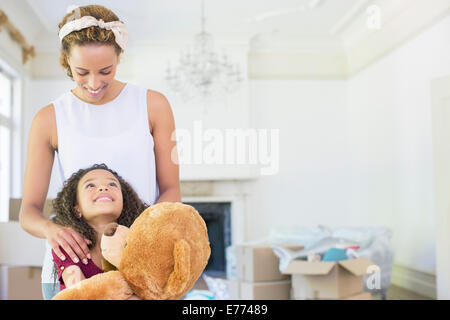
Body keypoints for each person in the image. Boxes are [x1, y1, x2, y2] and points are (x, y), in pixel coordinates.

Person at [18, 5, 181, 300]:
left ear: (119, 57)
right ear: (66, 61)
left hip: (141, 264)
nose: (94, 84)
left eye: (106, 71)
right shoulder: (49, 118)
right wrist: (51, 230)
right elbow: (28, 212)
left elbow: (171, 191)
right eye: (82, 72)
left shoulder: (153, 105)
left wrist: (140, 239)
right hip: (74, 268)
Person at [50, 163, 147, 292]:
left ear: (124, 204)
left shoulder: (137, 244)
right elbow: (81, 293)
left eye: (112, 184)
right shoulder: (68, 246)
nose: (103, 188)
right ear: (77, 209)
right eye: (90, 185)